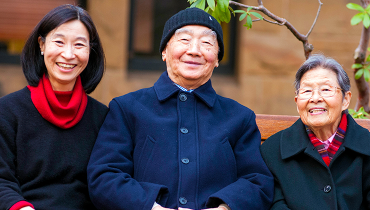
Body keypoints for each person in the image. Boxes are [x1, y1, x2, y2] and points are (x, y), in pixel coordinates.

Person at [87, 7, 273, 210]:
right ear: (164, 51)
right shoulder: (127, 109)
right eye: (184, 40)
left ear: (217, 59)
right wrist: (151, 207)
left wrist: (222, 208)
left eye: (207, 43)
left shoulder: (240, 117)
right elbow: (105, 176)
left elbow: (257, 182)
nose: (194, 50)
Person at [0, 4, 108, 210]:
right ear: (41, 45)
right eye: (59, 42)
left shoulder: (103, 117)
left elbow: (108, 183)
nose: (68, 54)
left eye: (79, 45)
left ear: (90, 52)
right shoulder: (7, 111)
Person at [260, 54, 370, 209]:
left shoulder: (367, 146)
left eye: (325, 89)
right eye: (306, 91)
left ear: (346, 100)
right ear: (297, 102)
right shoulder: (272, 151)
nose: (315, 98)